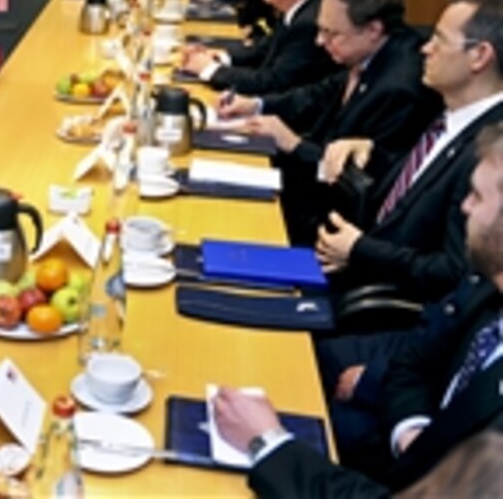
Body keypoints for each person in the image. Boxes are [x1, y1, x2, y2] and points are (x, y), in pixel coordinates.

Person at [213, 122, 503, 495]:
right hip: (403, 447)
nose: (464, 206)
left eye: (477, 197)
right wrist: (411, 431)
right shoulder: (485, 288)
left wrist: (267, 443)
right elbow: (414, 363)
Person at [219, 0, 441, 245]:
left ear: (373, 30)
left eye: (331, 33)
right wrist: (256, 104)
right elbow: (319, 93)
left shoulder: (400, 89)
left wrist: (294, 143)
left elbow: (362, 183)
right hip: (308, 196)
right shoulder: (370, 53)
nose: (319, 41)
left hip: (329, 229)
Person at [317, 0, 503, 302]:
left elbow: (455, 272)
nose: (425, 48)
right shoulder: (449, 114)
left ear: (479, 56)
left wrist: (362, 250)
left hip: (389, 309)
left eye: (439, 41)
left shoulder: (490, 150)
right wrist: (372, 152)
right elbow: (418, 189)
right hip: (352, 270)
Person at [181, 0, 340, 95]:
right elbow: (265, 50)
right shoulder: (298, 7)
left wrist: (210, 70)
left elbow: (273, 82)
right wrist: (220, 57)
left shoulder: (310, 23)